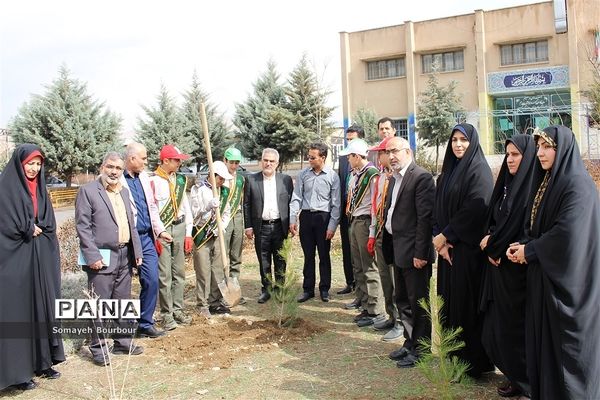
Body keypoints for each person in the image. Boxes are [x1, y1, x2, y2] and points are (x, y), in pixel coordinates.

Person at [506, 126, 600, 400]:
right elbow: (535, 221)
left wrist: (531, 250)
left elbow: (567, 234)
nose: (541, 153)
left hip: (571, 285)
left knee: (568, 352)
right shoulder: (549, 182)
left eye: (548, 147)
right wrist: (523, 244)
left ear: (564, 150)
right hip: (545, 279)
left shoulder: (577, 185)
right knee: (545, 350)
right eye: (539, 147)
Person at [0, 144, 65, 391]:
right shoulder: (5, 188)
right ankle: (18, 373)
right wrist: (26, 227)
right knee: (20, 311)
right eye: (30, 163)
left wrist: (39, 228)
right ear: (19, 163)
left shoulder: (40, 188)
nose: (34, 168)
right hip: (14, 259)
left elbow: (47, 219)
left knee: (43, 305)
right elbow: (4, 222)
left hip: (40, 257)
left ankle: (43, 362)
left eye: (38, 164)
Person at [432, 123, 494, 378]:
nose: (458, 144)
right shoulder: (448, 171)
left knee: (466, 308)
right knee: (449, 305)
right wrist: (441, 240)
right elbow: (437, 207)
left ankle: (472, 363)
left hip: (467, 254)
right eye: (454, 140)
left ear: (473, 143)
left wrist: (447, 235)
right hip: (447, 252)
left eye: (463, 140)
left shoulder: (479, 171)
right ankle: (453, 357)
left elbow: (475, 209)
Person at [479, 135, 535, 398]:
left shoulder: (531, 188)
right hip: (499, 269)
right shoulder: (506, 185)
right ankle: (513, 376)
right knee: (500, 327)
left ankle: (527, 383)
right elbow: (494, 219)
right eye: (508, 154)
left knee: (519, 329)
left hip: (518, 272)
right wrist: (493, 242)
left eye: (516, 155)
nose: (510, 160)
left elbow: (527, 229)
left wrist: (497, 246)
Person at [75, 151, 143, 366]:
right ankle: (98, 349)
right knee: (99, 305)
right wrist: (91, 255)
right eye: (110, 167)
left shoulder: (123, 192)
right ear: (102, 167)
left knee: (123, 302)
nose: (114, 172)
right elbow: (83, 227)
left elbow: (130, 224)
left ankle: (122, 343)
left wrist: (137, 252)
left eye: (118, 168)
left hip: (124, 254)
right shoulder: (88, 191)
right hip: (100, 257)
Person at [382, 137, 435, 367]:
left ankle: (421, 349)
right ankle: (409, 342)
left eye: (395, 151)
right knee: (402, 299)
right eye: (388, 151)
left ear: (408, 152)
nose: (391, 156)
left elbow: (425, 219)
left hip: (415, 253)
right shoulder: (394, 178)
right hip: (397, 248)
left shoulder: (420, 177)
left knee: (418, 302)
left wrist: (421, 253)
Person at [122, 142, 172, 339]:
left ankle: (145, 323)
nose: (146, 161)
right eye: (143, 158)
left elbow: (151, 208)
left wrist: (160, 231)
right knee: (123, 286)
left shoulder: (144, 178)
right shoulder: (118, 179)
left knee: (151, 280)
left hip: (146, 238)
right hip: (127, 240)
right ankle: (122, 329)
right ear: (132, 158)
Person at [340, 138, 384, 327]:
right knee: (357, 265)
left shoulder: (372, 175)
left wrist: (373, 230)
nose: (348, 160)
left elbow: (376, 204)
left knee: (369, 267)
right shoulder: (355, 174)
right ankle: (365, 305)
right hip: (354, 221)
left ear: (357, 157)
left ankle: (375, 310)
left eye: (350, 157)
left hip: (366, 222)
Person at [150, 144, 193, 330]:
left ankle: (178, 309)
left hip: (180, 227)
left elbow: (186, 207)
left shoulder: (180, 180)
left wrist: (188, 233)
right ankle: (166, 314)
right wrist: (158, 232)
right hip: (164, 230)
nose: (179, 163)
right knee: (165, 275)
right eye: (176, 160)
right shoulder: (152, 181)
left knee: (179, 273)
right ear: (165, 160)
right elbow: (152, 211)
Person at [290, 143, 340, 303]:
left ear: (322, 158)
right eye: (308, 157)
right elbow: (297, 197)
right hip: (306, 217)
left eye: (312, 157)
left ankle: (324, 289)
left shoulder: (332, 176)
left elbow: (336, 204)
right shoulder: (303, 175)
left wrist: (332, 226)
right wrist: (293, 218)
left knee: (324, 256)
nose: (309, 160)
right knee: (308, 255)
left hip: (323, 219)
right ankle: (308, 289)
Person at [244, 148, 294, 303]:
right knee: (264, 260)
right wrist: (248, 226)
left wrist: (293, 222)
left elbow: (292, 202)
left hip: (280, 226)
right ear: (261, 161)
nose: (268, 163)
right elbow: (246, 204)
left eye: (272, 161)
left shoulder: (285, 180)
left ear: (277, 163)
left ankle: (280, 290)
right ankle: (266, 289)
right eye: (265, 160)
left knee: (280, 260)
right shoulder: (252, 180)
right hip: (261, 228)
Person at [368, 136, 402, 340]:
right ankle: (391, 315)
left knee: (395, 280)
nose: (379, 157)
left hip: (394, 237)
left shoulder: (398, 178)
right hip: (380, 232)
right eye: (381, 153)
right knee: (385, 278)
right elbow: (375, 208)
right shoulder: (379, 178)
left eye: (381, 153)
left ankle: (399, 321)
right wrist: (372, 234)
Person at [190, 161, 233, 317]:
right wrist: (208, 207)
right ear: (212, 176)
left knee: (218, 270)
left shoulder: (224, 192)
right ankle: (202, 304)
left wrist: (222, 226)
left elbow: (227, 212)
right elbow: (195, 214)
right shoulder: (198, 190)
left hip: (217, 234)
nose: (222, 182)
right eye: (220, 178)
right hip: (202, 234)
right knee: (203, 271)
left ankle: (215, 302)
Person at [337, 125, 364, 296]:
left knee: (360, 253)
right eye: (347, 140)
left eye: (352, 139)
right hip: (345, 212)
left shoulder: (367, 158)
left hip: (361, 213)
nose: (348, 143)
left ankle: (362, 288)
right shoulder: (343, 159)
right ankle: (350, 282)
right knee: (347, 249)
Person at [222, 147, 246, 304]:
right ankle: (222, 295)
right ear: (225, 161)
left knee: (236, 257)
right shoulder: (219, 178)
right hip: (223, 219)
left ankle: (235, 294)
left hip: (237, 217)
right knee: (223, 256)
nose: (234, 166)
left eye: (237, 163)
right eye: (231, 162)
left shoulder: (241, 179)